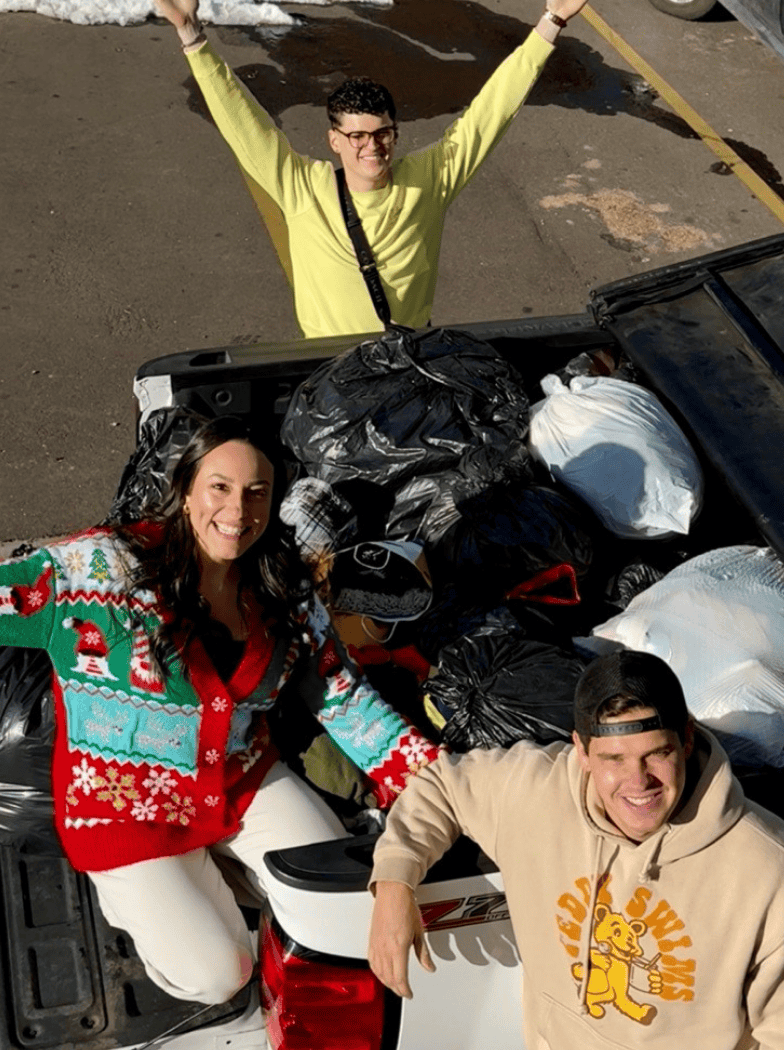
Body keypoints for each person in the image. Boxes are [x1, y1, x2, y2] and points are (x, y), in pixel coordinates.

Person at [0, 416, 440, 1005]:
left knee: (346, 916)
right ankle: (155, 899)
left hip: (239, 782)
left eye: (257, 492)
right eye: (220, 487)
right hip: (125, 808)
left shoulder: (282, 585)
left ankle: (220, 877)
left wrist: (441, 783)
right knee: (221, 974)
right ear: (185, 491)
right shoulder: (97, 570)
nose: (238, 510)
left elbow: (344, 699)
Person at [367, 650, 784, 1048]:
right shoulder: (534, 792)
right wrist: (394, 881)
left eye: (656, 754)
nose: (638, 782)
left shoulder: (773, 873)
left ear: (687, 740)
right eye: (614, 759)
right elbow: (442, 784)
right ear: (581, 751)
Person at [151, 0, 588, 339]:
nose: (372, 147)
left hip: (406, 361)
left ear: (395, 133)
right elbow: (244, 123)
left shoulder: (429, 180)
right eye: (357, 136)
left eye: (382, 133)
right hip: (329, 369)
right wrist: (192, 36)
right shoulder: (303, 189)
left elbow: (491, 113)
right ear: (334, 141)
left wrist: (550, 23)